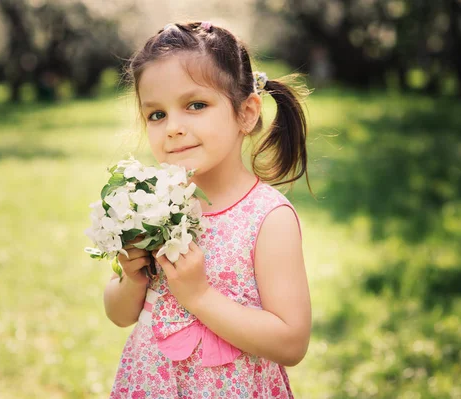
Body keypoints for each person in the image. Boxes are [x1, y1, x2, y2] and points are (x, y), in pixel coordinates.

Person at [103, 21, 312, 398]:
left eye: (195, 105)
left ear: (246, 113)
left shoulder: (267, 218)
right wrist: (131, 277)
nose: (172, 128)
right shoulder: (151, 204)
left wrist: (199, 297)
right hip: (152, 385)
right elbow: (119, 315)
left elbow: (291, 342)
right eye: (156, 114)